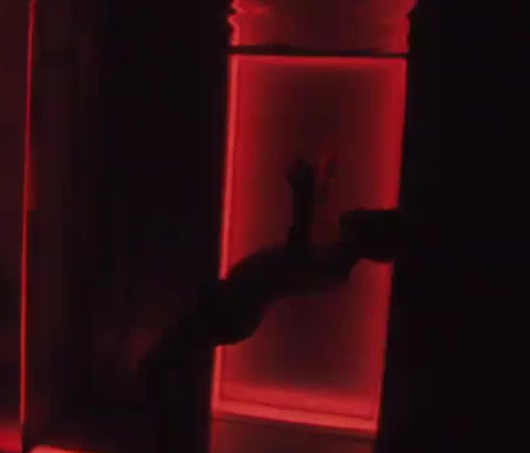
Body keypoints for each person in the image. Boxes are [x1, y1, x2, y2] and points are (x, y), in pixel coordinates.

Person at [137, 158, 410, 386]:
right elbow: (319, 219)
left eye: (374, 215)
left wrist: (302, 193)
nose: (364, 209)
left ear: (370, 237)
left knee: (166, 358)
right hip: (232, 306)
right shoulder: (335, 254)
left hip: (232, 309)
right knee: (170, 355)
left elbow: (299, 252)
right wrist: (322, 182)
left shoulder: (336, 269)